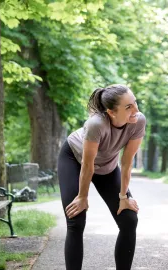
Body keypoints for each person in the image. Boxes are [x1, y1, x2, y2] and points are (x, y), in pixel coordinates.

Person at [57, 84, 146, 270]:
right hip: (75, 159)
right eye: (128, 107)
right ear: (111, 112)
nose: (136, 110)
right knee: (76, 218)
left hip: (108, 166)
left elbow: (127, 162)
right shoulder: (96, 124)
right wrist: (82, 197)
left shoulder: (138, 121)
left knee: (129, 219)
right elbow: (87, 165)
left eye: (135, 103)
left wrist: (123, 198)